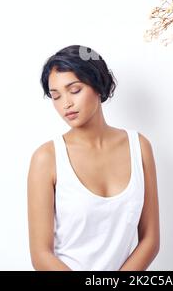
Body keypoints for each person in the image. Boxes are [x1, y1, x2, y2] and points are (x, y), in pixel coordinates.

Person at [27, 44, 160, 271]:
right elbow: (41, 255)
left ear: (97, 85)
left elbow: (150, 240)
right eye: (56, 96)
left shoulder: (139, 147)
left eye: (75, 90)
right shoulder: (46, 158)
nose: (65, 104)